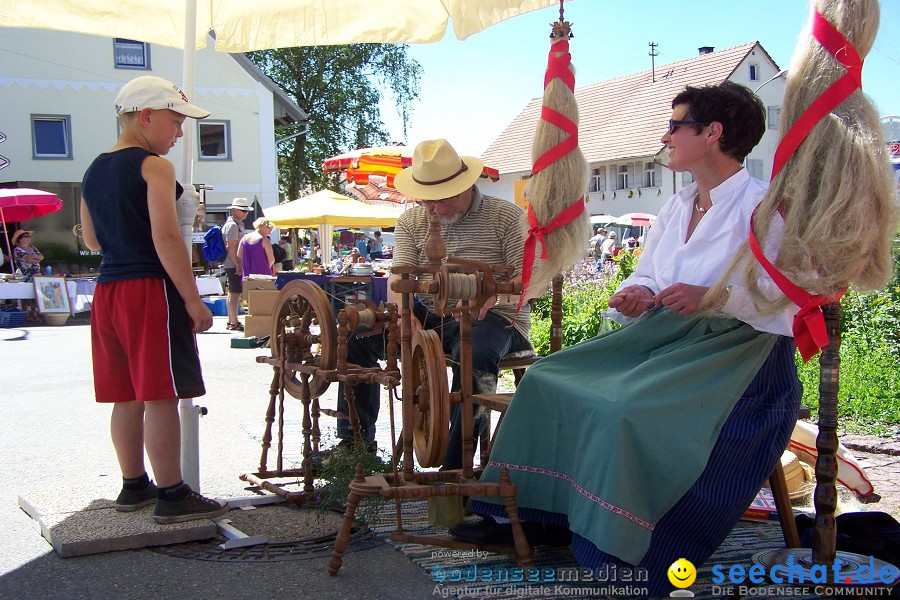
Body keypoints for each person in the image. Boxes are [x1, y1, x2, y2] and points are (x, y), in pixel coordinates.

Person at [459, 82, 800, 597]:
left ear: (713, 133)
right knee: (549, 378)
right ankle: (530, 514)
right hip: (662, 337)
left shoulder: (763, 207)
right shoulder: (679, 205)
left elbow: (790, 295)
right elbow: (649, 274)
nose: (666, 135)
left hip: (735, 352)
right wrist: (636, 292)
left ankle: (618, 544)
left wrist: (714, 296)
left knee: (622, 408)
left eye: (676, 124)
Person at [79, 75, 227, 524]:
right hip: (148, 288)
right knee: (160, 393)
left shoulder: (92, 169)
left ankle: (133, 485)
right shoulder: (155, 167)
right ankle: (172, 493)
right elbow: (166, 238)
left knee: (125, 396)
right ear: (147, 116)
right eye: (176, 121)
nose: (180, 132)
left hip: (108, 289)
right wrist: (194, 300)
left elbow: (90, 238)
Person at [334, 139, 531, 468]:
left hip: (496, 317)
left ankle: (456, 467)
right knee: (360, 337)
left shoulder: (507, 218)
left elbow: (527, 279)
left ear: (465, 185)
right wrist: (404, 313)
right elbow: (398, 279)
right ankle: (354, 446)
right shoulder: (412, 222)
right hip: (430, 315)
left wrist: (494, 292)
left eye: (445, 199)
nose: (436, 210)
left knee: (475, 353)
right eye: (429, 202)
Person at [222, 197, 252, 331]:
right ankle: (233, 322)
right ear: (234, 210)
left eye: (246, 210)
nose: (246, 213)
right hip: (233, 263)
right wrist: (238, 264)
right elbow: (231, 246)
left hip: (233, 262)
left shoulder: (236, 224)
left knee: (233, 293)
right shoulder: (233, 225)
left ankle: (232, 321)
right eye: (243, 210)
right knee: (235, 293)